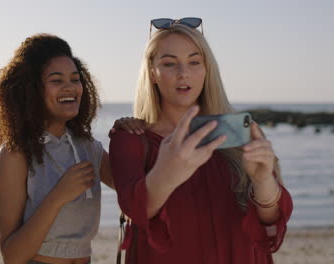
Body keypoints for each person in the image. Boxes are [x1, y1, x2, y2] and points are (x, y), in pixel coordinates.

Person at [109, 18, 293, 264]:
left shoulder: (236, 133)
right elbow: (135, 209)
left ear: (207, 69)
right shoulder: (131, 138)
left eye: (194, 62)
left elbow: (271, 220)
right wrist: (168, 173)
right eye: (169, 63)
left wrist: (262, 180)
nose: (183, 73)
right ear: (152, 72)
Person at [0, 33, 115, 264]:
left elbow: (136, 188)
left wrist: (134, 135)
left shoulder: (88, 148)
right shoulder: (15, 154)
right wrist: (57, 197)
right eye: (56, 80)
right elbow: (12, 255)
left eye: (75, 79)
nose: (69, 88)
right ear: (32, 90)